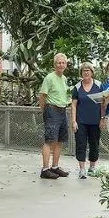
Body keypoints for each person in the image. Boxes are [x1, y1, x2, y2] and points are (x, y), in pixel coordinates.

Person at [39, 52, 71, 180]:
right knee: (49, 140)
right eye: (59, 62)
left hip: (62, 110)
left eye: (63, 63)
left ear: (66, 65)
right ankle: (45, 169)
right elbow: (42, 96)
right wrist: (46, 110)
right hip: (52, 110)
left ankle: (55, 167)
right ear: (55, 64)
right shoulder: (49, 77)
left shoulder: (64, 79)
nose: (61, 65)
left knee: (59, 140)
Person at [71, 62, 103, 179]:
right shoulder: (77, 87)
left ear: (92, 72)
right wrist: (74, 121)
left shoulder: (99, 85)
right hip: (81, 121)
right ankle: (82, 169)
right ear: (81, 73)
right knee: (81, 144)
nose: (86, 72)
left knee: (94, 144)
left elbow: (103, 104)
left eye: (88, 70)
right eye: (84, 71)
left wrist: (102, 118)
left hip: (95, 121)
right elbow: (73, 105)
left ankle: (92, 167)